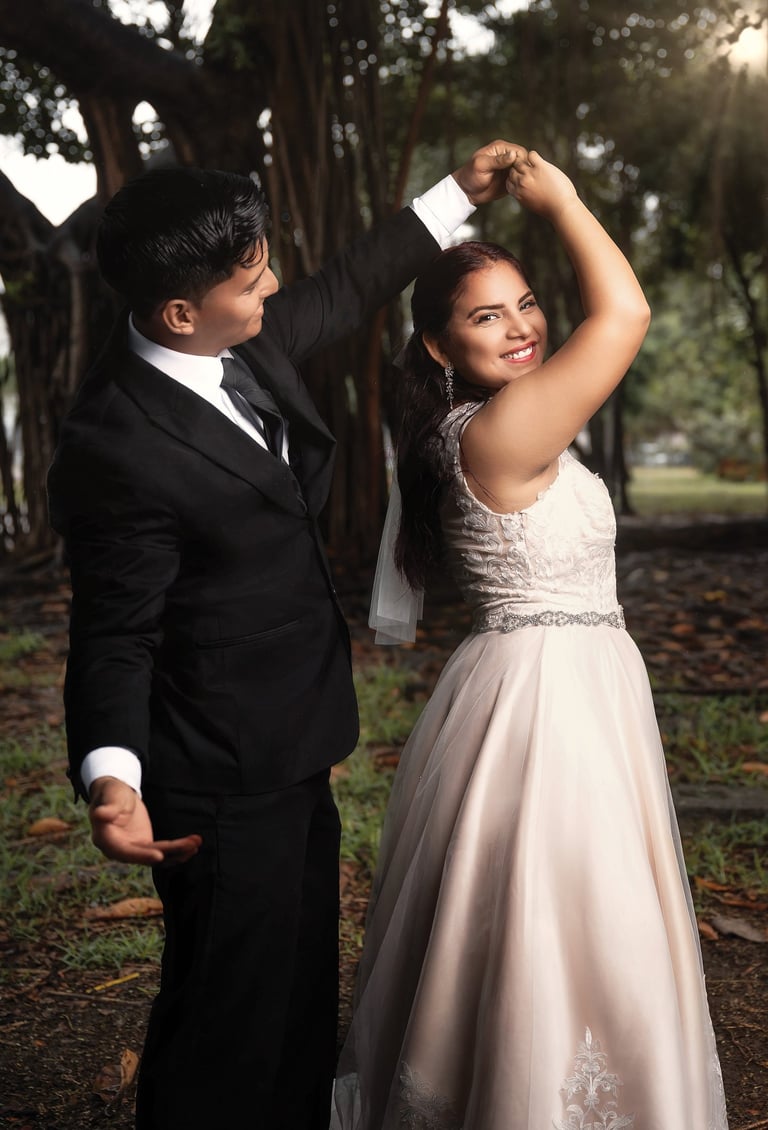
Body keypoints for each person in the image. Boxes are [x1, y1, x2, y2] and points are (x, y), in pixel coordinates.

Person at [46, 141, 524, 1130]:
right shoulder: (115, 444)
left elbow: (349, 286)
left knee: (302, 988)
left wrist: (456, 195)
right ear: (181, 310)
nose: (272, 281)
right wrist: (111, 776)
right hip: (217, 771)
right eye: (253, 272)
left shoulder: (242, 341)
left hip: (296, 736)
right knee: (229, 1011)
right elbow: (113, 632)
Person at [332, 150, 729, 1129]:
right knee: (564, 916)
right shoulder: (499, 432)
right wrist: (560, 200)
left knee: (557, 914)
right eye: (485, 315)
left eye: (524, 305)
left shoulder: (481, 426)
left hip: (556, 683)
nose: (520, 328)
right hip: (549, 705)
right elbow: (625, 317)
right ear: (436, 346)